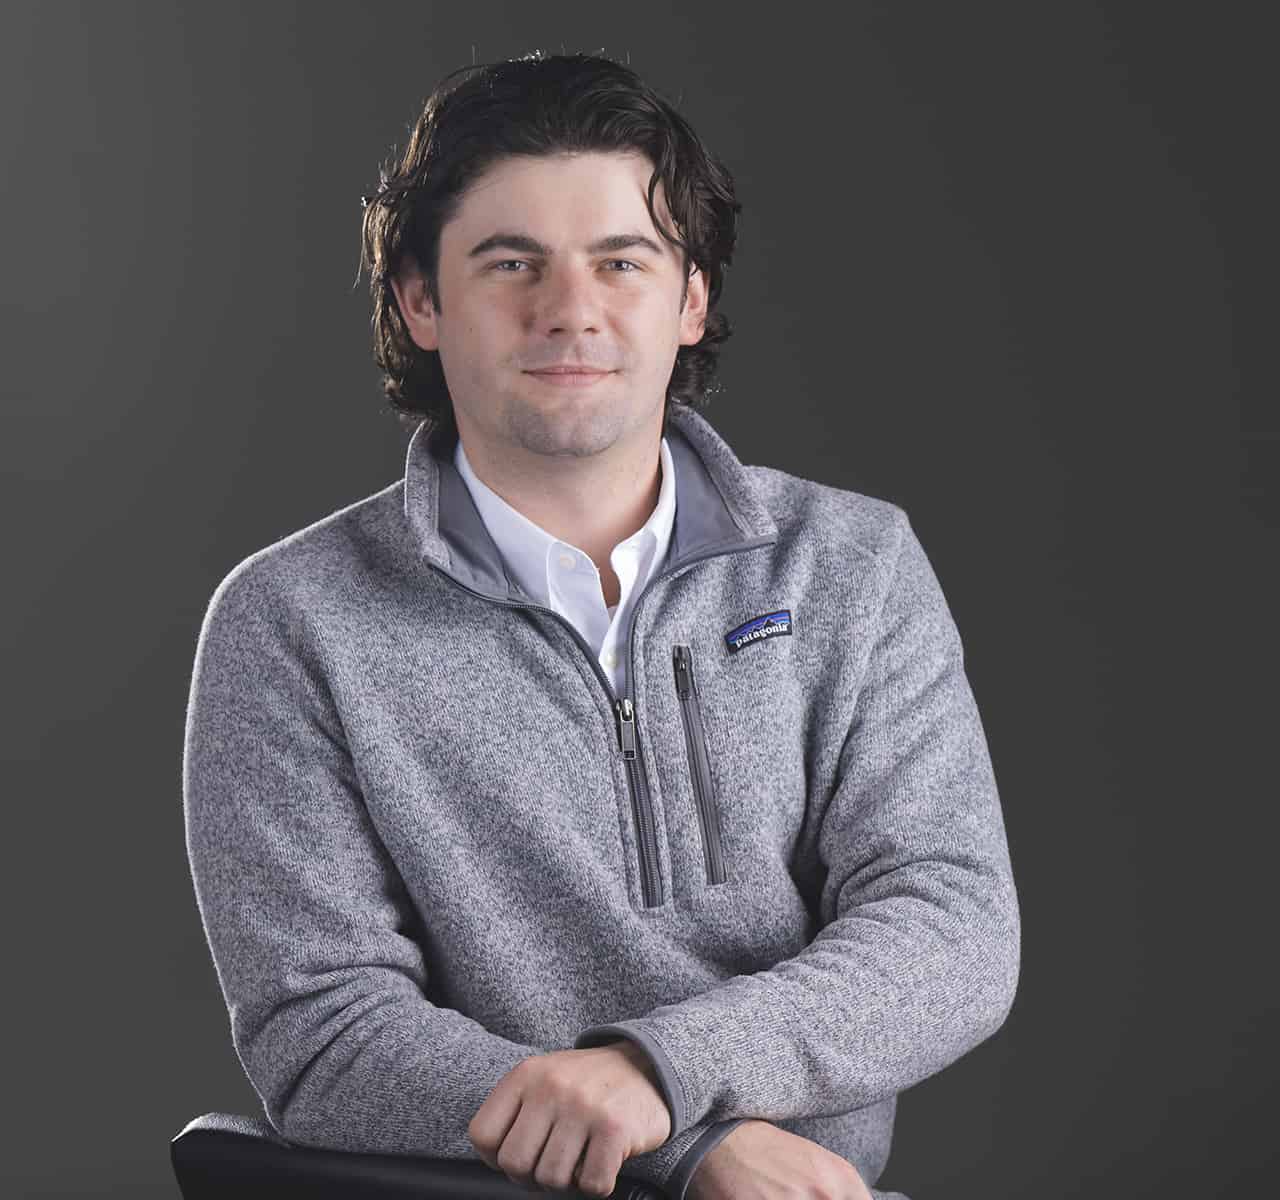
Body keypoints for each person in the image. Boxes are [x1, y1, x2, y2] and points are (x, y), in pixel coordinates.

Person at [182, 50, 1020, 1200]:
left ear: (691, 299)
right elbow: (322, 1035)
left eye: (620, 262)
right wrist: (681, 1147)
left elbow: (950, 929)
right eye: (509, 263)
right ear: (421, 302)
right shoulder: (290, 621)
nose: (569, 310)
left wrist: (660, 1074)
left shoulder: (851, 563)